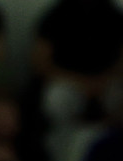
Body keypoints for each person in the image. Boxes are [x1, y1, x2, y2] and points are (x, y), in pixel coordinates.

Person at [31, 0, 123, 130]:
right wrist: (81, 82)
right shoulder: (55, 17)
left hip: (106, 83)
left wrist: (103, 80)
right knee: (56, 99)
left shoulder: (114, 16)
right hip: (67, 83)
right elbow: (40, 63)